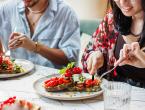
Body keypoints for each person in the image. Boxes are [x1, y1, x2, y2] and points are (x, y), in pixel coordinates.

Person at [82, 0, 145, 87]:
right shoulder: (111, 20)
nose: (122, 2)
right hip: (115, 95)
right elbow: (85, 60)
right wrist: (96, 56)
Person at [0, 0, 80, 69]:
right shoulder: (6, 8)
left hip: (53, 80)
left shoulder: (67, 13)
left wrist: (35, 47)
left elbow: (70, 59)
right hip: (15, 77)